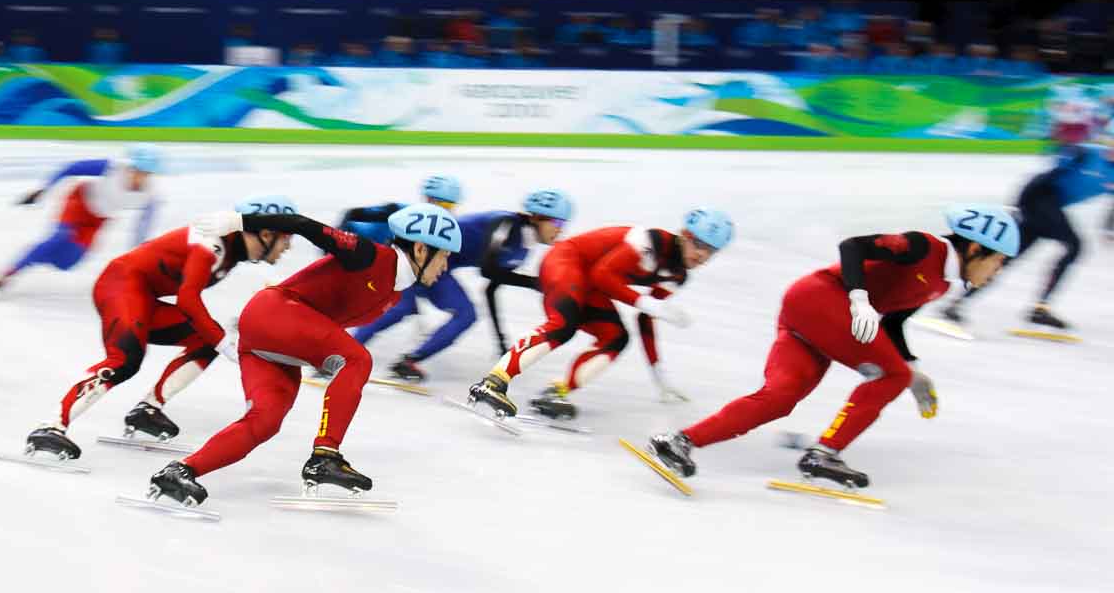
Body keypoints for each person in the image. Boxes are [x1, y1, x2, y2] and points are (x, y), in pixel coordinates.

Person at [647, 205, 1017, 490]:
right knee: (892, 375)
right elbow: (853, 246)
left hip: (810, 313)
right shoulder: (924, 246)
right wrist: (859, 299)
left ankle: (679, 442)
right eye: (999, 262)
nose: (998, 273)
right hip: (824, 300)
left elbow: (894, 322)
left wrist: (913, 368)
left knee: (780, 397)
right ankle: (824, 454)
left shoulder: (942, 282)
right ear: (974, 248)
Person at [144, 204, 464, 508]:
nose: (445, 267)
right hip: (275, 314)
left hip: (276, 337)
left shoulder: (395, 291)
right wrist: (239, 222)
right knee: (358, 359)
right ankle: (326, 456)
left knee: (265, 422)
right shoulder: (370, 255)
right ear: (421, 249)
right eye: (444, 256)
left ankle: (180, 472)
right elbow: (302, 225)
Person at [23, 195, 303, 462]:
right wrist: (226, 344)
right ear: (266, 234)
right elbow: (188, 300)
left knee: (204, 340)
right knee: (126, 360)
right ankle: (51, 426)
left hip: (142, 295)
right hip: (120, 286)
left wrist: (219, 340)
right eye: (287, 238)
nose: (288, 247)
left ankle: (148, 409)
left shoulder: (230, 249)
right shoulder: (211, 245)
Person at [466, 208, 735, 419]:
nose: (702, 255)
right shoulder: (651, 241)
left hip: (591, 283)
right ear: (685, 234)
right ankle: (493, 382)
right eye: (699, 244)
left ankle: (557, 391)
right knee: (564, 324)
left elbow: (645, 318)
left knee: (616, 337)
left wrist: (658, 370)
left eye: (711, 251)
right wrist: (646, 302)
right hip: (566, 262)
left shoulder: (677, 275)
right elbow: (603, 274)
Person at [941, 116, 1114, 332]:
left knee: (1008, 258)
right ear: (1112, 139)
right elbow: (1040, 180)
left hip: (1051, 209)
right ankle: (1033, 309)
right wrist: (1017, 206)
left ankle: (961, 305)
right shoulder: (1084, 153)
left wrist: (1110, 229)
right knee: (1074, 246)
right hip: (1039, 200)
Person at [354, 189, 573, 382]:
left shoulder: (523, 249)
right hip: (417, 255)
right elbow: (488, 269)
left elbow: (491, 288)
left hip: (439, 266)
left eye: (564, 225)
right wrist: (535, 283)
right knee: (402, 307)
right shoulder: (505, 224)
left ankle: (408, 362)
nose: (560, 230)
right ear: (537, 216)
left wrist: (500, 340)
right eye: (558, 223)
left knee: (466, 315)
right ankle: (344, 351)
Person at [0, 146, 162, 294]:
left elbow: (141, 230)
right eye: (137, 170)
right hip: (79, 202)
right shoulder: (111, 168)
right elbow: (71, 168)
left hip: (98, 220)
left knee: (66, 263)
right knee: (60, 237)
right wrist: (44, 189)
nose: (140, 177)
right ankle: (7, 274)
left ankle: (35, 254)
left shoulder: (149, 197)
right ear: (129, 167)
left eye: (146, 173)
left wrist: (137, 254)